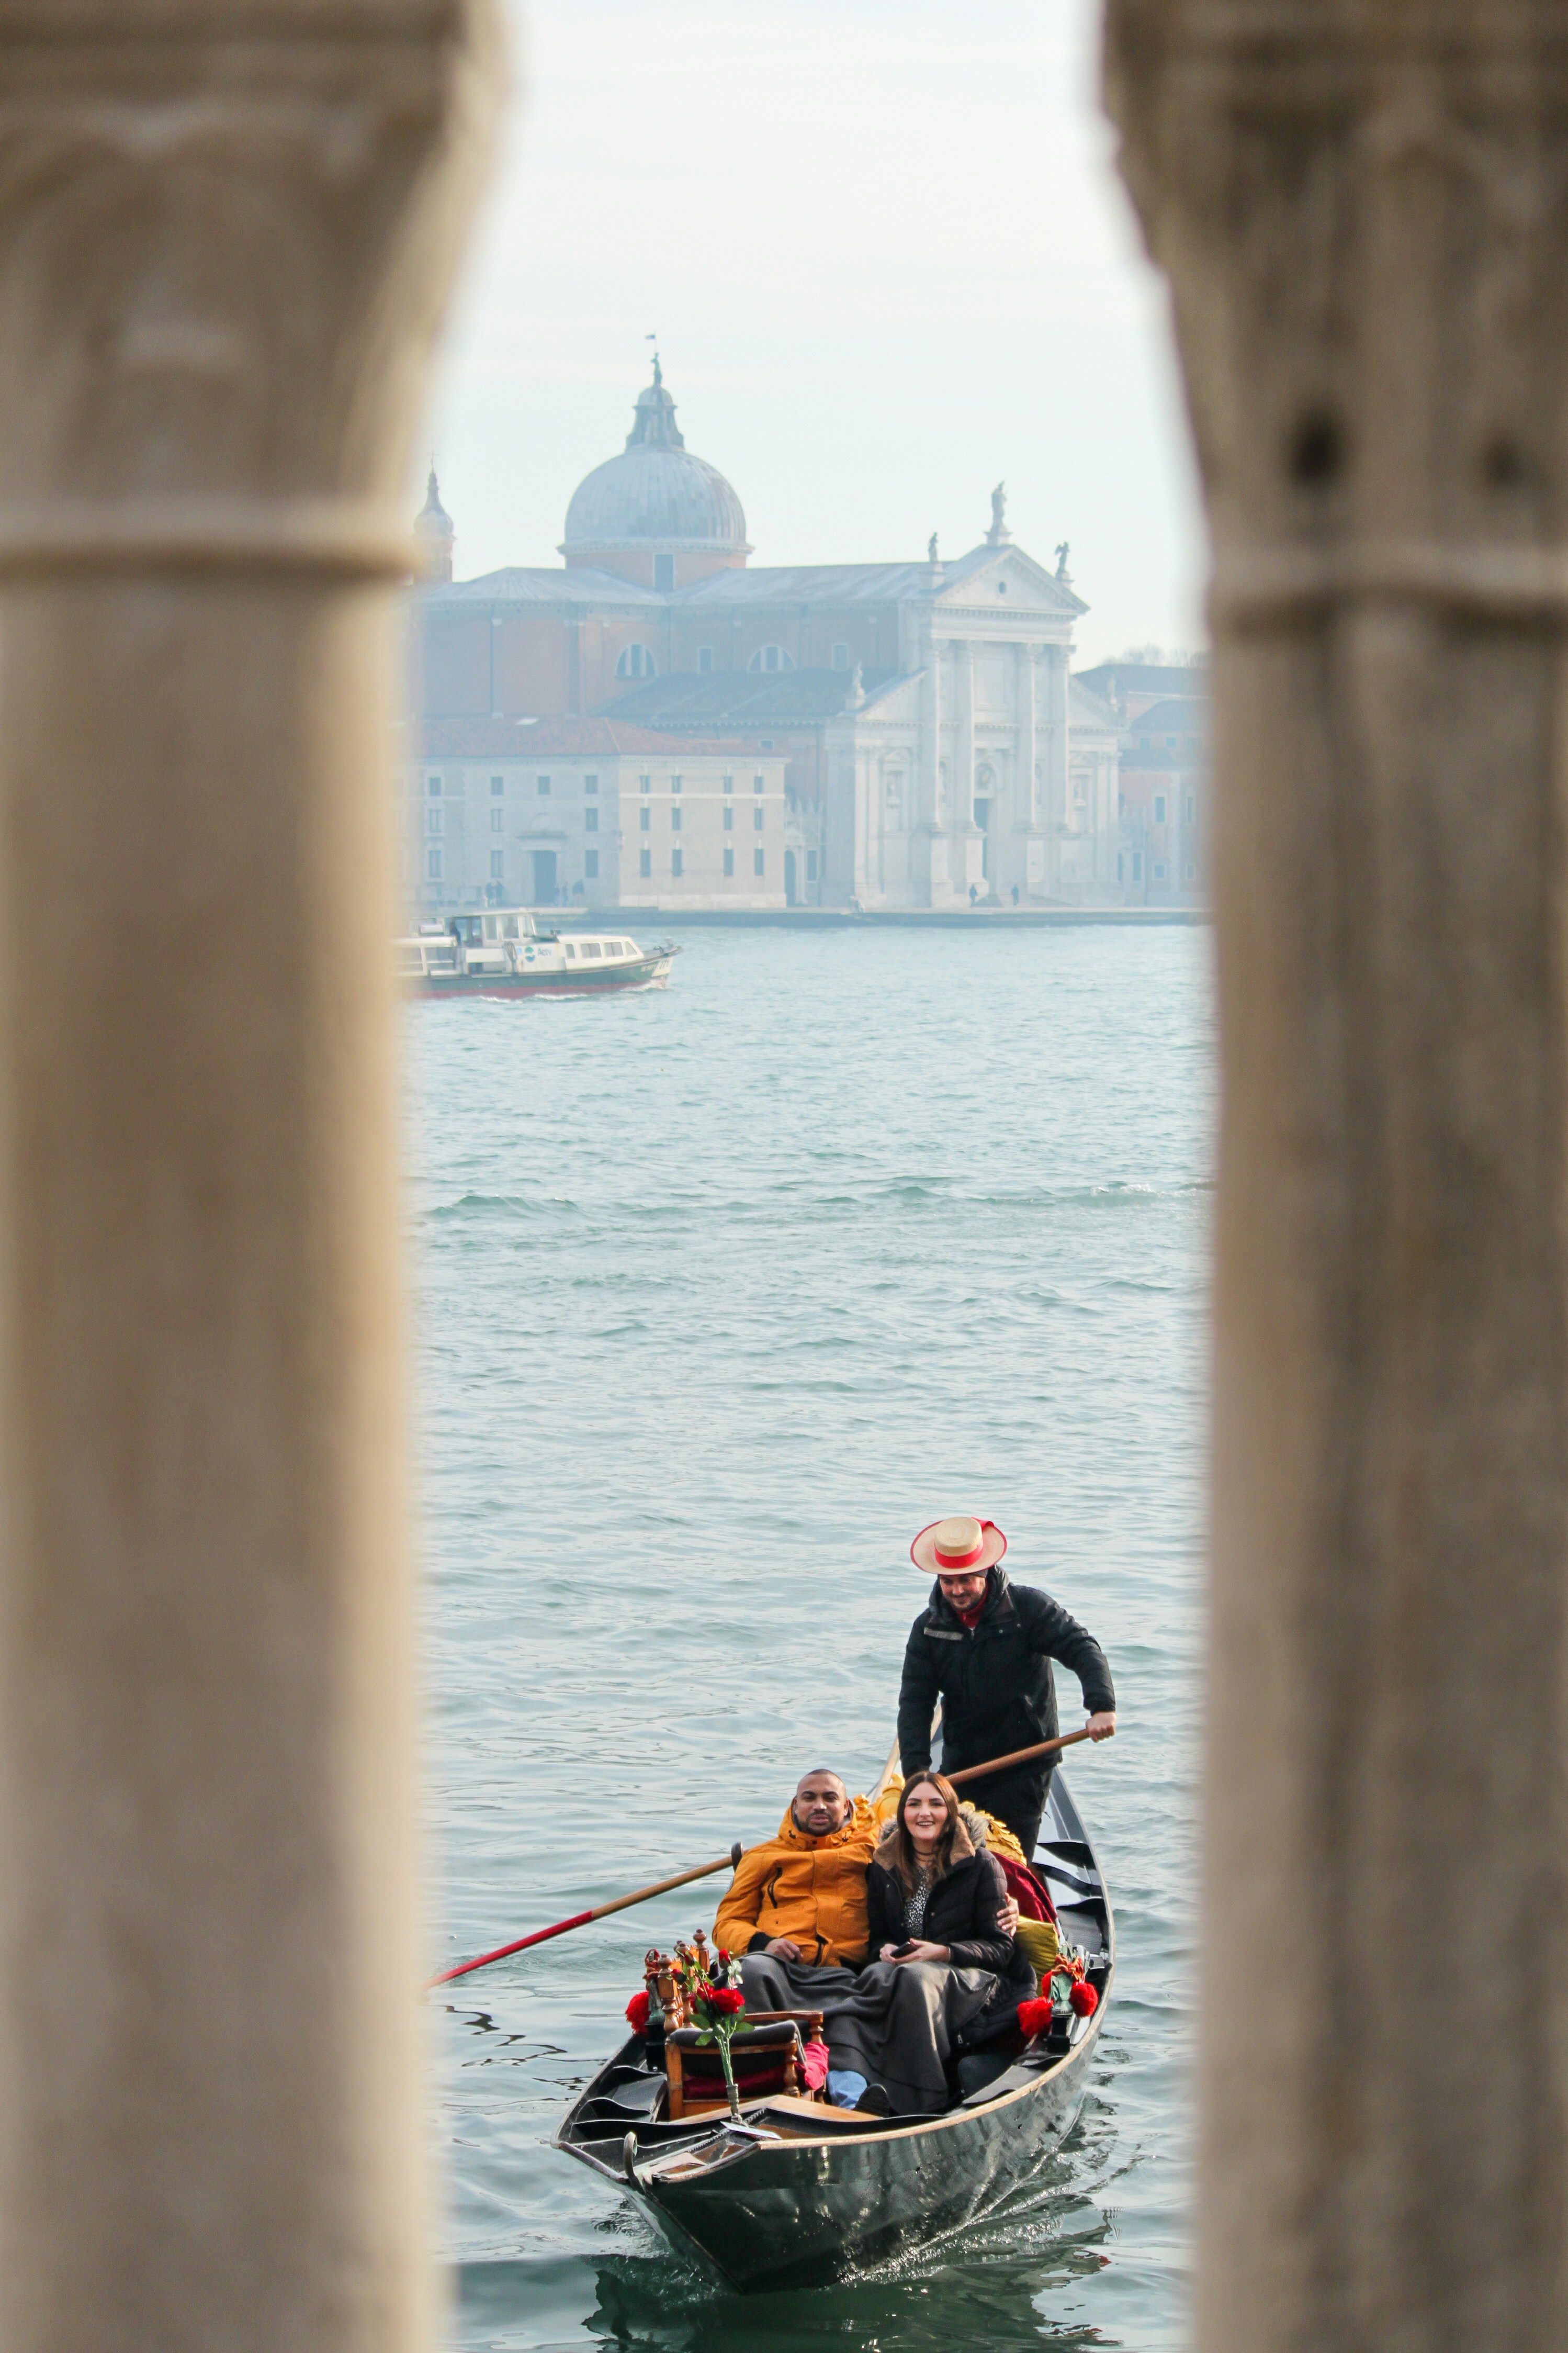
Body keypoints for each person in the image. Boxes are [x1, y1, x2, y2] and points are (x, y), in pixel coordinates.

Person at [714, 1766, 1019, 2112]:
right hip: (780, 1969)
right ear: (794, 1805)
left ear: (848, 1808)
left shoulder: (871, 1850)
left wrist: (1013, 1908)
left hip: (847, 1976)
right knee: (751, 1973)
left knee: (862, 2001)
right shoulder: (760, 1858)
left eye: (830, 1798)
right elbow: (726, 1923)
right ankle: (754, 2092)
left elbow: (929, 1850)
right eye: (809, 1798)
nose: (819, 1806)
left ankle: (875, 2100)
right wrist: (763, 1943)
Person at [897, 1515, 1116, 1859]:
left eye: (965, 1580)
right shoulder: (928, 1629)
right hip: (962, 1764)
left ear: (985, 1571)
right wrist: (917, 1775)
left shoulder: (1028, 1610)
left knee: (1008, 1862)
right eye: (947, 1581)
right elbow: (915, 1703)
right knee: (947, 1858)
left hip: (1025, 1765)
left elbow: (1081, 1647)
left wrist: (1101, 1706)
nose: (956, 1591)